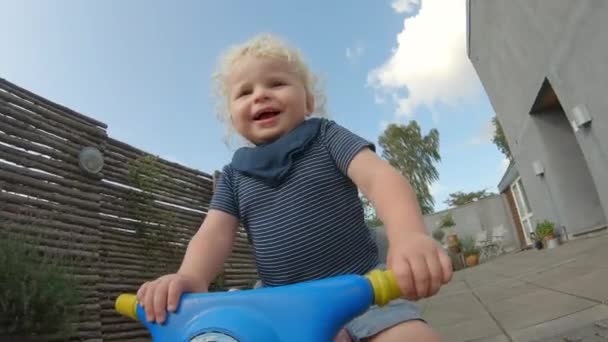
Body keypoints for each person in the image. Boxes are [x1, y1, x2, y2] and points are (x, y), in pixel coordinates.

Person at [136, 33, 453, 341]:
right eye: (245, 92)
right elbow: (214, 233)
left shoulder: (326, 138)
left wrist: (409, 236)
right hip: (284, 306)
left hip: (363, 291)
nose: (260, 94)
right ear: (233, 118)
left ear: (309, 102)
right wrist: (191, 276)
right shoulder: (234, 176)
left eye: (276, 83)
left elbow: (381, 180)